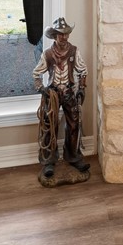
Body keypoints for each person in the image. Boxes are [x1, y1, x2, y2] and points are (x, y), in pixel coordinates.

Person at [32, 17, 89, 179]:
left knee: (74, 124)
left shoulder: (74, 51)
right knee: (49, 125)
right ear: (54, 36)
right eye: (60, 34)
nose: (64, 37)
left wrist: (81, 88)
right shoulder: (48, 54)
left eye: (66, 34)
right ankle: (49, 161)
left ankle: (74, 156)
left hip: (70, 92)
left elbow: (82, 70)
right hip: (53, 94)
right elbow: (36, 73)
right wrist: (41, 88)